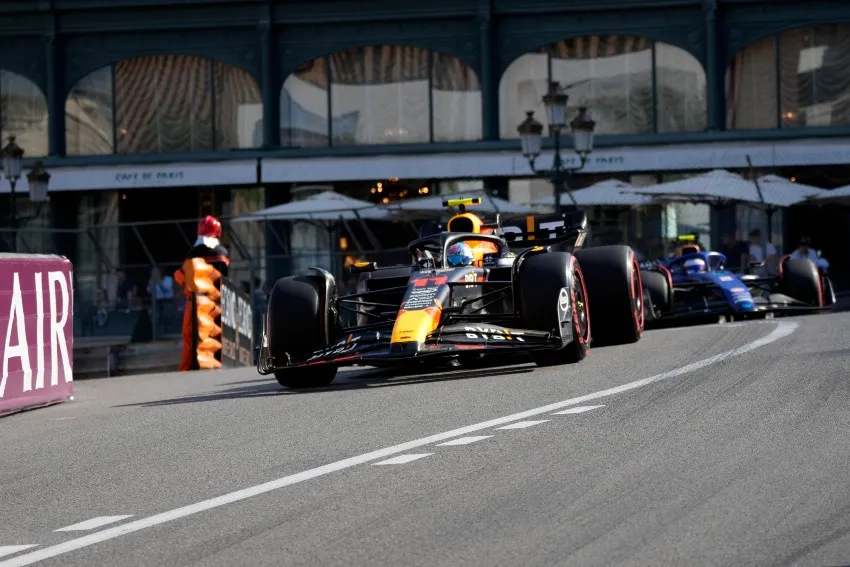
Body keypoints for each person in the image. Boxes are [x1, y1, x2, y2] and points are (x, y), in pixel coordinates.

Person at [173, 215, 231, 371]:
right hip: (218, 303)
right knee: (218, 335)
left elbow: (180, 275)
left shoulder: (193, 252)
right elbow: (225, 279)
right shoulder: (222, 252)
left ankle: (188, 368)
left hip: (195, 303)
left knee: (190, 337)